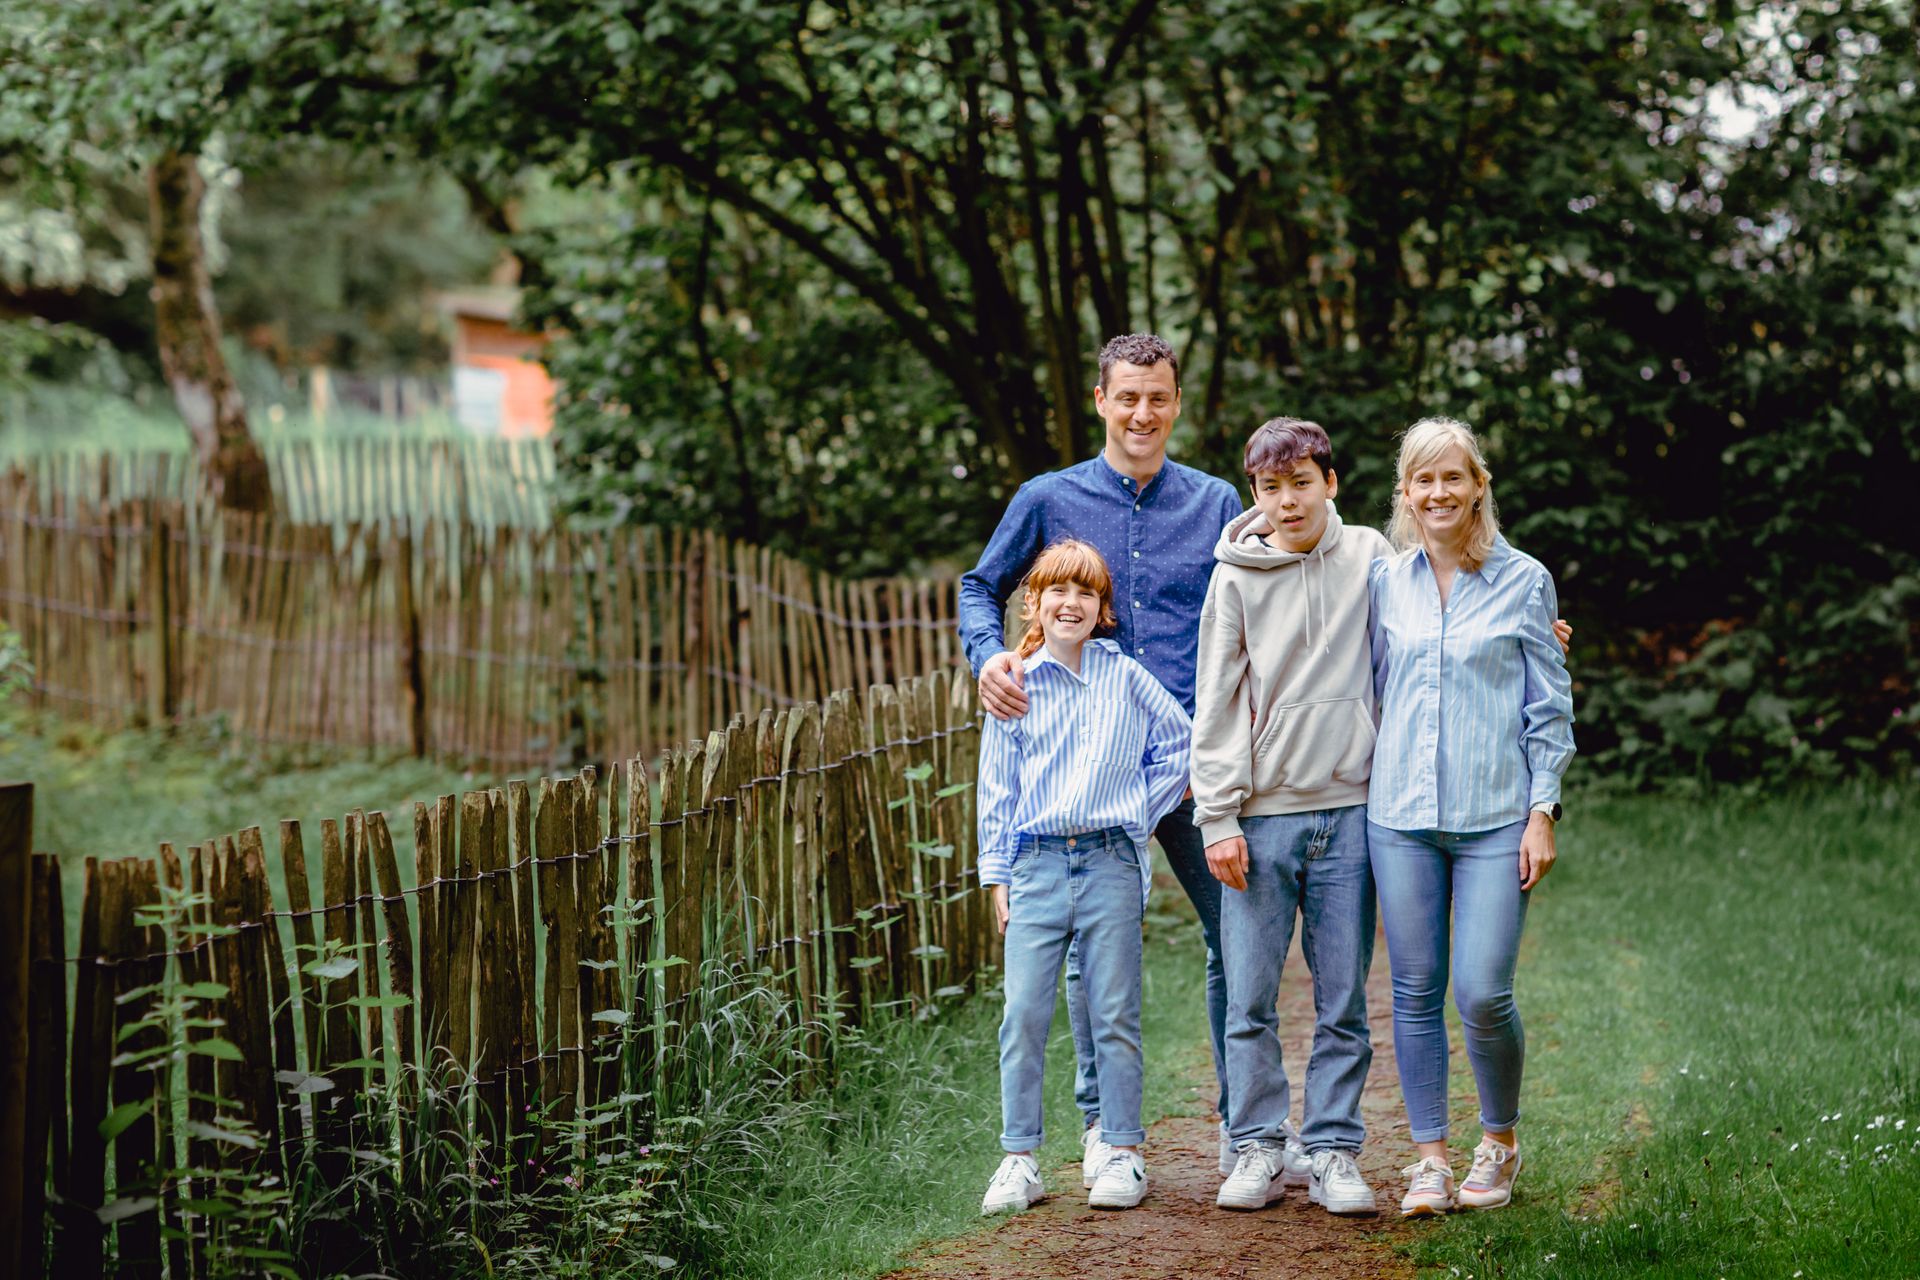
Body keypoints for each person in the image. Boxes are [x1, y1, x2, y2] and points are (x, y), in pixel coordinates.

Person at [959, 333, 1245, 1183]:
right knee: (1085, 954)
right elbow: (982, 586)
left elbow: (1276, 587)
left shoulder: (1217, 500)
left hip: (1193, 765)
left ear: (1177, 403)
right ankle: (1101, 1131)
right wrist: (989, 657)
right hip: (1085, 774)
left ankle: (1245, 1130)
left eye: (1158, 397)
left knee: (1239, 934)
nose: (1143, 413)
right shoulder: (1049, 497)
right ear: (1100, 401)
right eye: (1128, 397)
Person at [1366, 416, 1576, 1218]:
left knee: (1483, 991)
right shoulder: (1386, 581)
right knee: (1414, 989)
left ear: (1478, 484)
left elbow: (1547, 708)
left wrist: (1541, 810)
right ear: (1405, 493)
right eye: (1423, 479)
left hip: (1496, 816)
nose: (1439, 492)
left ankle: (1500, 1143)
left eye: (1453, 476)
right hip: (1401, 816)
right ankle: (1428, 1160)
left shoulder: (1526, 581)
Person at [1192, 418, 1386, 1216]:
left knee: (1343, 997)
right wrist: (1217, 818)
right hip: (1260, 818)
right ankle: (1258, 1146)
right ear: (1255, 495)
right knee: (1249, 996)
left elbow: (1445, 610)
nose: (1287, 500)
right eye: (1270, 487)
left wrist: (1525, 635)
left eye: (1301, 482)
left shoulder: (1374, 556)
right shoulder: (1233, 579)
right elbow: (1218, 700)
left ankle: (1334, 1149)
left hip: (1353, 812)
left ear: (1330, 483)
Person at [975, 539, 1193, 1214]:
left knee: (1114, 1012)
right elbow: (997, 787)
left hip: (1110, 862)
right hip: (1037, 863)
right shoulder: (1015, 683)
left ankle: (1123, 1151)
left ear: (1102, 610)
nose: (1071, 604)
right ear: (1033, 603)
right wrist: (996, 873)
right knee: (1024, 1015)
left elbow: (1182, 742)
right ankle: (1019, 1160)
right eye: (1057, 592)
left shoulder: (1123, 676)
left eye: (1087, 593)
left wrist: (1138, 814)